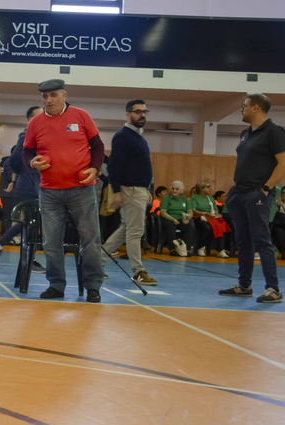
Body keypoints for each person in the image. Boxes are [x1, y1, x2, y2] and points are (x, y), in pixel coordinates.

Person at [22, 79, 105, 302]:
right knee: (51, 242)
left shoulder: (81, 116)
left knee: (90, 239)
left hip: (82, 190)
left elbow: (98, 146)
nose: (48, 100)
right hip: (50, 192)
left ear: (64, 95)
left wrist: (95, 169)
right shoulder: (35, 123)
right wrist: (32, 163)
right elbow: (26, 153)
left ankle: (93, 286)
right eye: (44, 96)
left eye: (53, 95)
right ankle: (56, 285)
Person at [219, 93, 285, 303]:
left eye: (244, 105)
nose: (242, 108)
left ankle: (273, 289)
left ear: (256, 107)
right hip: (238, 193)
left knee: (261, 240)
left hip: (258, 193)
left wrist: (266, 189)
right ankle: (244, 285)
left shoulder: (274, 132)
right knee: (243, 240)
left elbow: (283, 164)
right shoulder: (245, 133)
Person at [100, 100, 157, 285]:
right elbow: (115, 165)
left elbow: (140, 166)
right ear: (128, 114)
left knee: (126, 230)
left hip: (138, 189)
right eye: (138, 112)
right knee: (135, 232)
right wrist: (116, 191)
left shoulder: (138, 137)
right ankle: (138, 271)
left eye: (144, 112)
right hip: (130, 189)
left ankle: (96, 263)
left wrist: (146, 188)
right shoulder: (123, 136)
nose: (142, 115)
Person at [0, 106, 44, 273]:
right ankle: (27, 259)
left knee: (27, 224)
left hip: (36, 188)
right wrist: (25, 174)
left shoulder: (39, 136)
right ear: (30, 120)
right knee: (32, 224)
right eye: (39, 116)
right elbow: (13, 161)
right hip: (28, 189)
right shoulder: (27, 135)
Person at [190, 180, 229, 258]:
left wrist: (217, 214)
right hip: (199, 217)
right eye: (207, 187)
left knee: (222, 225)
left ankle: (221, 250)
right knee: (207, 227)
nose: (210, 188)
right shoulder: (195, 197)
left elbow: (215, 209)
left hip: (210, 216)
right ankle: (201, 247)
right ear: (201, 188)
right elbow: (193, 210)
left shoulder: (210, 198)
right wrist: (204, 213)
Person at [159, 181, 196, 257]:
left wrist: (188, 217)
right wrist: (172, 219)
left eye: (177, 189)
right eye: (173, 188)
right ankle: (172, 249)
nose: (174, 190)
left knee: (190, 225)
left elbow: (190, 211)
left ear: (181, 191)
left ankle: (186, 249)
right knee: (170, 225)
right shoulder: (166, 199)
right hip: (169, 218)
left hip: (182, 219)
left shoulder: (185, 199)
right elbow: (163, 212)